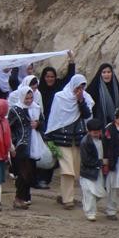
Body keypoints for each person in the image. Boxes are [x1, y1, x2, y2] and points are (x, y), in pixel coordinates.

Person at [45, 74, 94, 209]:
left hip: (77, 139)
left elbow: (87, 115)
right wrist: (49, 138)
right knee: (68, 170)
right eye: (78, 87)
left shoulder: (85, 98)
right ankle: (68, 200)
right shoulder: (60, 97)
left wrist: (80, 101)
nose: (79, 90)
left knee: (75, 170)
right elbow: (54, 118)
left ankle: (64, 195)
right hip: (61, 139)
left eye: (82, 87)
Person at [37, 50, 76, 186]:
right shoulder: (39, 90)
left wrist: (72, 61)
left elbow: (70, 78)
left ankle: (46, 178)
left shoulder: (59, 87)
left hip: (55, 126)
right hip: (41, 126)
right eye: (47, 76)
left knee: (53, 152)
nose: (50, 79)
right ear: (43, 77)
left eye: (52, 76)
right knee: (41, 151)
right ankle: (39, 178)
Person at [8, 87, 45, 209]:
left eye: (31, 98)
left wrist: (38, 124)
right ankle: (19, 198)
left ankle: (24, 197)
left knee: (30, 173)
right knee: (23, 172)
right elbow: (10, 128)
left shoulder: (37, 108)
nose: (29, 101)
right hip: (21, 146)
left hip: (34, 145)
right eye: (26, 98)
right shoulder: (15, 110)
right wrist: (13, 143)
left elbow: (43, 124)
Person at [79, 118, 106, 221]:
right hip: (87, 172)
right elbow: (86, 160)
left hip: (99, 171)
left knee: (99, 193)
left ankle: (87, 204)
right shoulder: (85, 142)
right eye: (94, 132)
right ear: (89, 131)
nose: (97, 134)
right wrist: (101, 162)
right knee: (89, 192)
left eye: (99, 132)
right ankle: (90, 213)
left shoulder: (103, 139)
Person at [87, 63, 119, 128]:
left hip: (117, 124)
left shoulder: (117, 88)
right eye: (104, 72)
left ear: (112, 73)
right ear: (100, 74)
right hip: (99, 124)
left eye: (109, 72)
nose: (106, 74)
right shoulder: (94, 88)